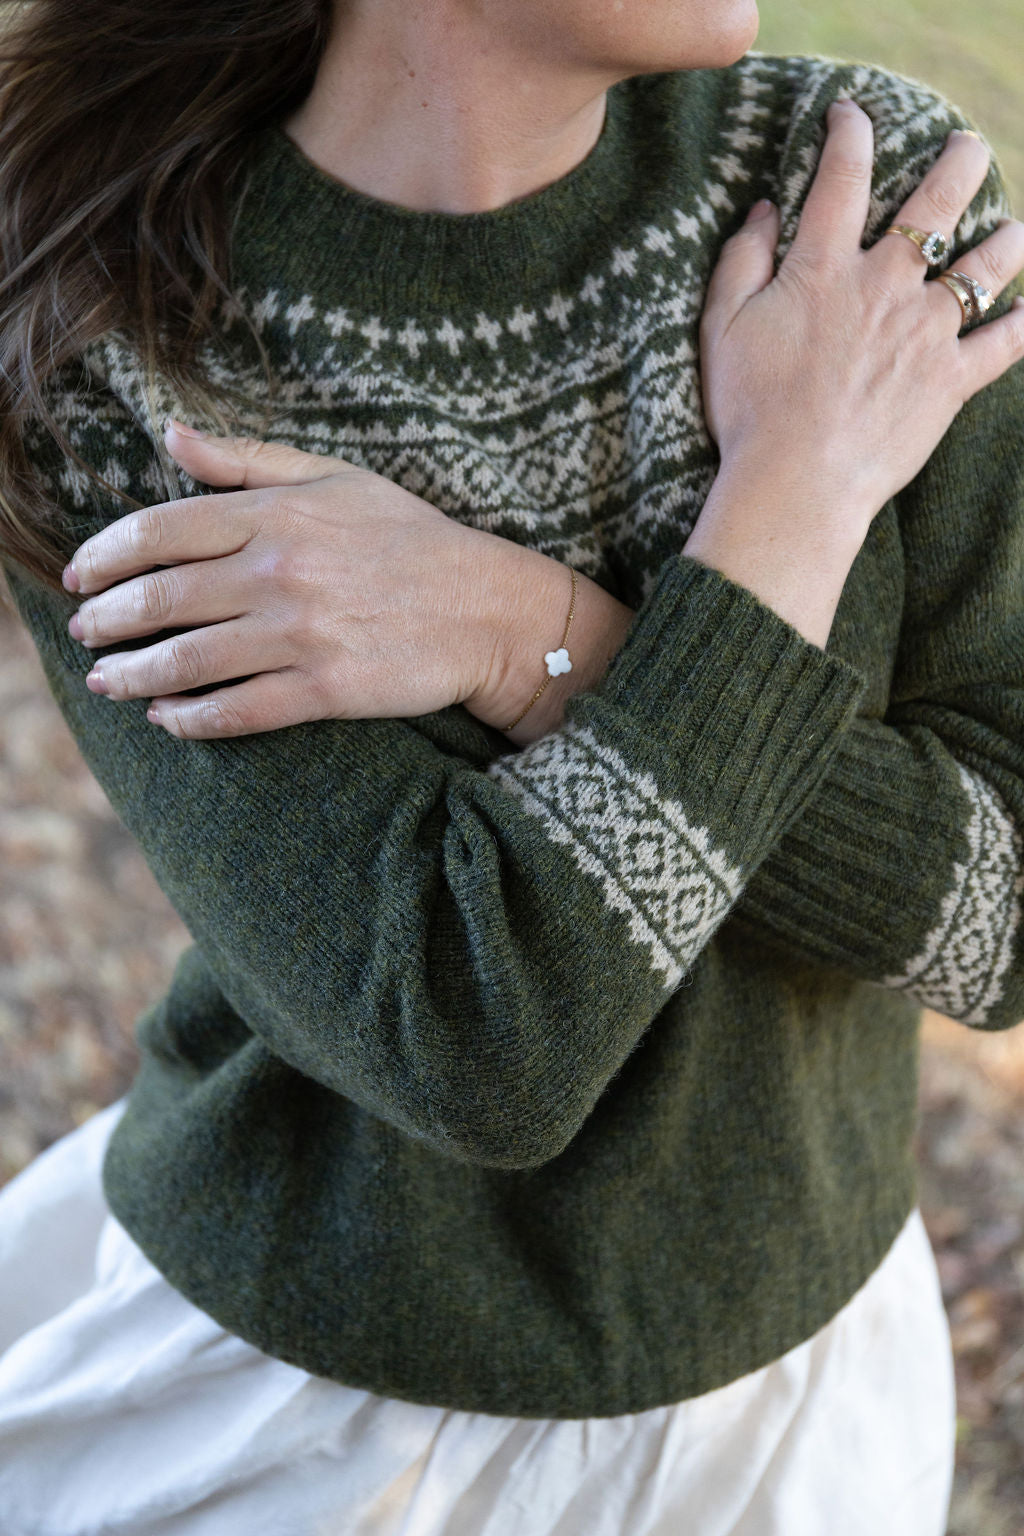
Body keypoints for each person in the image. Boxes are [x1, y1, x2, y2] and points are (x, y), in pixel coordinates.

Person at [0, 0, 1022, 1529]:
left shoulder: (861, 212)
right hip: (310, 1415)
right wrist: (789, 514)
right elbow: (483, 1044)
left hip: (800, 1407)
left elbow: (1005, 927)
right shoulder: (124, 349)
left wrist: (549, 624)